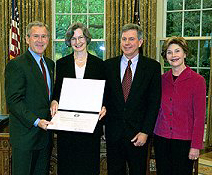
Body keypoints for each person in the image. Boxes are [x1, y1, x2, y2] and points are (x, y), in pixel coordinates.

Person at [104, 23, 161, 175]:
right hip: (113, 134)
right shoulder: (108, 66)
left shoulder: (152, 67)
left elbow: (154, 103)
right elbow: (104, 97)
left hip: (138, 136)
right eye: (124, 39)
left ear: (140, 42)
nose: (127, 43)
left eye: (131, 39)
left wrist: (145, 131)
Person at [50, 22, 106, 175]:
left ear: (87, 39)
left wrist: (104, 106)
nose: (77, 42)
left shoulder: (100, 64)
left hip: (90, 125)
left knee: (89, 166)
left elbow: (105, 93)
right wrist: (54, 101)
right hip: (67, 126)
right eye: (73, 39)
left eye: (81, 37)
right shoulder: (61, 64)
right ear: (69, 42)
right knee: (68, 166)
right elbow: (57, 90)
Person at [5, 21, 55, 175]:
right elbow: (14, 101)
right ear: (27, 39)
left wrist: (54, 100)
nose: (40, 40)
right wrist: (36, 121)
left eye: (44, 36)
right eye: (36, 36)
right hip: (25, 137)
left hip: (45, 137)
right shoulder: (17, 65)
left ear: (48, 39)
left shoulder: (50, 64)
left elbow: (46, 95)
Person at [154, 36, 206, 175]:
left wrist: (195, 146)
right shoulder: (161, 80)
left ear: (185, 53)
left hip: (184, 141)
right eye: (169, 52)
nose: (173, 55)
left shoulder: (197, 81)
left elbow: (200, 117)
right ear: (165, 56)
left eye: (177, 51)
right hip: (161, 138)